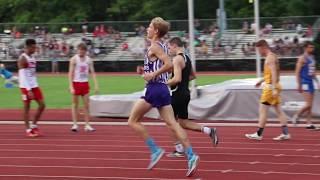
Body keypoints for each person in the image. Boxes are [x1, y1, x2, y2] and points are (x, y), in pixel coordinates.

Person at [128, 17, 199, 177]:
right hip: (162, 89)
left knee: (132, 121)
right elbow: (165, 67)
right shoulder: (163, 47)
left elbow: (168, 65)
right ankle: (191, 155)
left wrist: (152, 74)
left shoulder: (154, 46)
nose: (147, 29)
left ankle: (155, 150)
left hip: (153, 89)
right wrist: (147, 72)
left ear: (156, 31)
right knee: (173, 124)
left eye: (149, 27)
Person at [166, 37, 218, 158]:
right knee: (183, 123)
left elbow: (177, 79)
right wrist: (181, 82)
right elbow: (193, 76)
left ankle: (179, 150)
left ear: (174, 46)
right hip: (185, 93)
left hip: (177, 94)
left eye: (169, 47)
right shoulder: (187, 58)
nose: (169, 50)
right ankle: (209, 131)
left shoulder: (177, 59)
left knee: (170, 122)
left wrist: (164, 83)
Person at [245, 39, 290, 141]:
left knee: (262, 110)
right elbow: (270, 74)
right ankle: (286, 133)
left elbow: (273, 73)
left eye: (258, 50)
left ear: (263, 47)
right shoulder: (273, 56)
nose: (258, 53)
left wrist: (273, 88)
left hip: (270, 88)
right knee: (279, 110)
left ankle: (259, 134)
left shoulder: (269, 58)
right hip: (275, 85)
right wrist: (261, 81)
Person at [18, 39, 45, 137]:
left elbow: (32, 73)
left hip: (34, 85)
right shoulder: (23, 58)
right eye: (33, 47)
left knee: (42, 105)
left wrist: (35, 84)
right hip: (25, 87)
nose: (35, 49)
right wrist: (28, 89)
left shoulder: (33, 57)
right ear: (28, 47)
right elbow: (23, 75)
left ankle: (34, 124)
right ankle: (28, 129)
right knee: (27, 108)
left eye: (35, 47)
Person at [68, 43, 99, 132]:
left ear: (85, 51)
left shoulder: (89, 60)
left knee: (86, 105)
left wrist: (96, 84)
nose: (81, 52)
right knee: (75, 105)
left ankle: (87, 125)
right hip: (76, 83)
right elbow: (70, 73)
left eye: (82, 50)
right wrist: (71, 86)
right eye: (79, 50)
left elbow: (92, 73)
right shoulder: (74, 59)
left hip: (85, 83)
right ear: (77, 50)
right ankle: (75, 124)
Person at [292, 41, 320, 129]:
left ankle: (309, 123)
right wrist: (299, 84)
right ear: (305, 48)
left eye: (313, 47)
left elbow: (313, 72)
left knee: (310, 105)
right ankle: (296, 115)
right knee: (308, 104)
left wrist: (317, 82)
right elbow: (297, 72)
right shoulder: (302, 58)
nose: (312, 49)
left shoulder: (312, 57)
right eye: (310, 47)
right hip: (304, 82)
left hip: (311, 82)